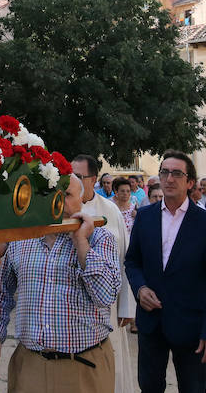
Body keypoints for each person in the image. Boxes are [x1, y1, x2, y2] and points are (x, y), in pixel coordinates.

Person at [0, 173, 120, 392]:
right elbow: (1, 292)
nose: (57, 200)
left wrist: (81, 242)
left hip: (83, 366)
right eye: (50, 193)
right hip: (30, 365)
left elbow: (106, 295)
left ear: (81, 199)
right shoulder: (23, 237)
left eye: (67, 194)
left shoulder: (99, 238)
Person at [125, 150, 206, 393]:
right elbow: (132, 262)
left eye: (177, 174)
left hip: (193, 328)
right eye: (164, 172)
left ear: (190, 182)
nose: (169, 179)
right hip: (151, 324)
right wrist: (140, 288)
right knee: (149, 387)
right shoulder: (144, 216)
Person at [74, 155, 136, 393]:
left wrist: (126, 306)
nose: (75, 182)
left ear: (94, 179)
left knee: (113, 364)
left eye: (80, 177)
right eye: (71, 176)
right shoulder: (61, 208)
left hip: (105, 304)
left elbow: (125, 259)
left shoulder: (109, 210)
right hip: (72, 305)